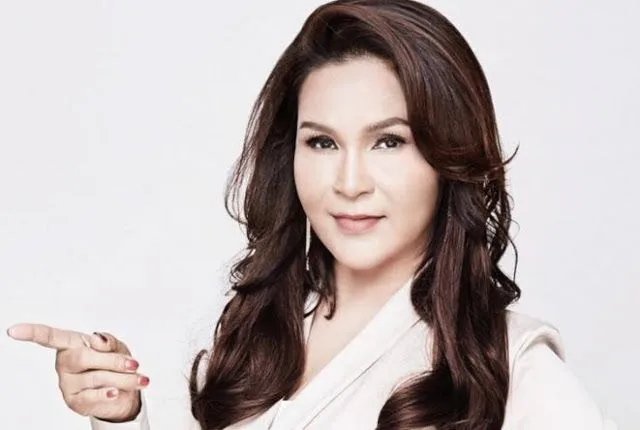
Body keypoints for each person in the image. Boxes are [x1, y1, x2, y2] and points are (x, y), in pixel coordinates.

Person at [6, 0, 617, 429]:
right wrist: (120, 416)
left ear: (447, 157)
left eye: (389, 142)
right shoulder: (256, 337)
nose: (349, 183)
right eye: (322, 142)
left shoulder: (509, 368)